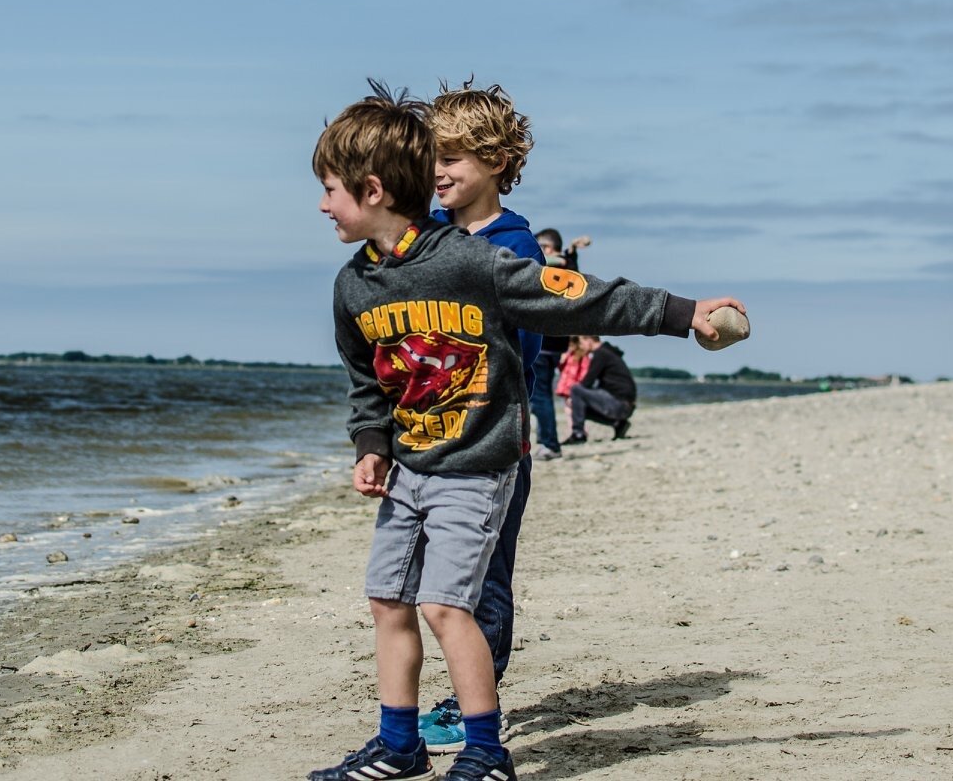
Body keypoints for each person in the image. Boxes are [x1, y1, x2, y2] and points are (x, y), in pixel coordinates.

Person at [310, 82, 745, 781]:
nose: (321, 204)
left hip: (481, 458)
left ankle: (484, 747)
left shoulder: (474, 257)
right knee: (389, 598)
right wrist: (371, 445)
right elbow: (367, 378)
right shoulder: (354, 286)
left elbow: (578, 295)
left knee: (453, 600)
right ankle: (399, 746)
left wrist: (683, 311)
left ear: (371, 189)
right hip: (412, 463)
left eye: (330, 188)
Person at [422, 81, 542, 753]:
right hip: (431, 439)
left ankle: (475, 707)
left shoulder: (515, 245)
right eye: (433, 158)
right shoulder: (428, 237)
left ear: (497, 161)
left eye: (455, 158)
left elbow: (523, 343)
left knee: (485, 575)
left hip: (494, 439)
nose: (439, 172)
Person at [531, 229, 591, 457]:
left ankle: (549, 443)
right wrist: (572, 252)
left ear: (546, 249)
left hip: (543, 342)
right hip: (557, 342)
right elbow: (572, 268)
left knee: (540, 395)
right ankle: (546, 440)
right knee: (540, 393)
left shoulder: (552, 269)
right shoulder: (568, 270)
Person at [565, 336, 637, 442]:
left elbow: (587, 382)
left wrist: (572, 398)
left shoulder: (601, 354)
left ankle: (578, 433)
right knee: (580, 407)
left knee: (576, 389)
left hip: (619, 403)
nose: (580, 347)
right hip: (626, 404)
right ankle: (618, 424)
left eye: (581, 343)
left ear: (589, 339)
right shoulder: (608, 352)